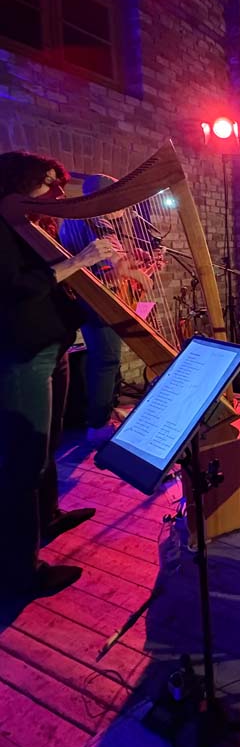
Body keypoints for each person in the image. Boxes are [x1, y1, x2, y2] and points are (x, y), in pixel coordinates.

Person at [0, 151, 113, 605]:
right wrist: (80, 260)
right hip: (23, 355)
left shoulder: (29, 226)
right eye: (49, 182)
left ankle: (48, 516)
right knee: (23, 461)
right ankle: (20, 572)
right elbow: (14, 289)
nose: (59, 193)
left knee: (49, 446)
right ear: (18, 184)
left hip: (54, 348)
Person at [59, 174, 154, 446]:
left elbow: (104, 266)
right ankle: (97, 425)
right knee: (106, 360)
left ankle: (106, 413)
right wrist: (140, 275)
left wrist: (133, 262)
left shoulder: (78, 220)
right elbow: (116, 264)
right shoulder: (97, 220)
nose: (122, 206)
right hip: (97, 303)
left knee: (107, 359)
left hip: (92, 299)